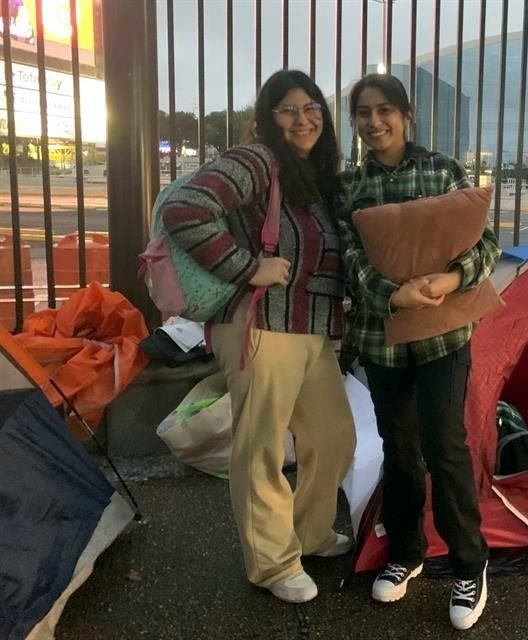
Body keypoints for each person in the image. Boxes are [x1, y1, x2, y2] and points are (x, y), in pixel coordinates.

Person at [160, 70, 356, 604]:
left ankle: (310, 534)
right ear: (267, 119)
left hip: (310, 329)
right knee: (262, 446)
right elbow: (185, 209)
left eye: (311, 105)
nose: (303, 117)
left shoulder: (314, 176)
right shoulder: (257, 160)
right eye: (287, 109)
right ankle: (272, 563)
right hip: (260, 322)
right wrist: (248, 266)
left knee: (335, 437)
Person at [339, 74, 500, 631]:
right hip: (382, 337)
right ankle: (406, 553)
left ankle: (468, 565)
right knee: (399, 448)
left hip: (442, 335)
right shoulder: (349, 187)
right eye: (363, 112)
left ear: (407, 115)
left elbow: (484, 242)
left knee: (445, 445)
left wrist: (455, 279)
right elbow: (350, 260)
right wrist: (392, 294)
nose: (374, 122)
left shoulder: (443, 171)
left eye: (385, 110)